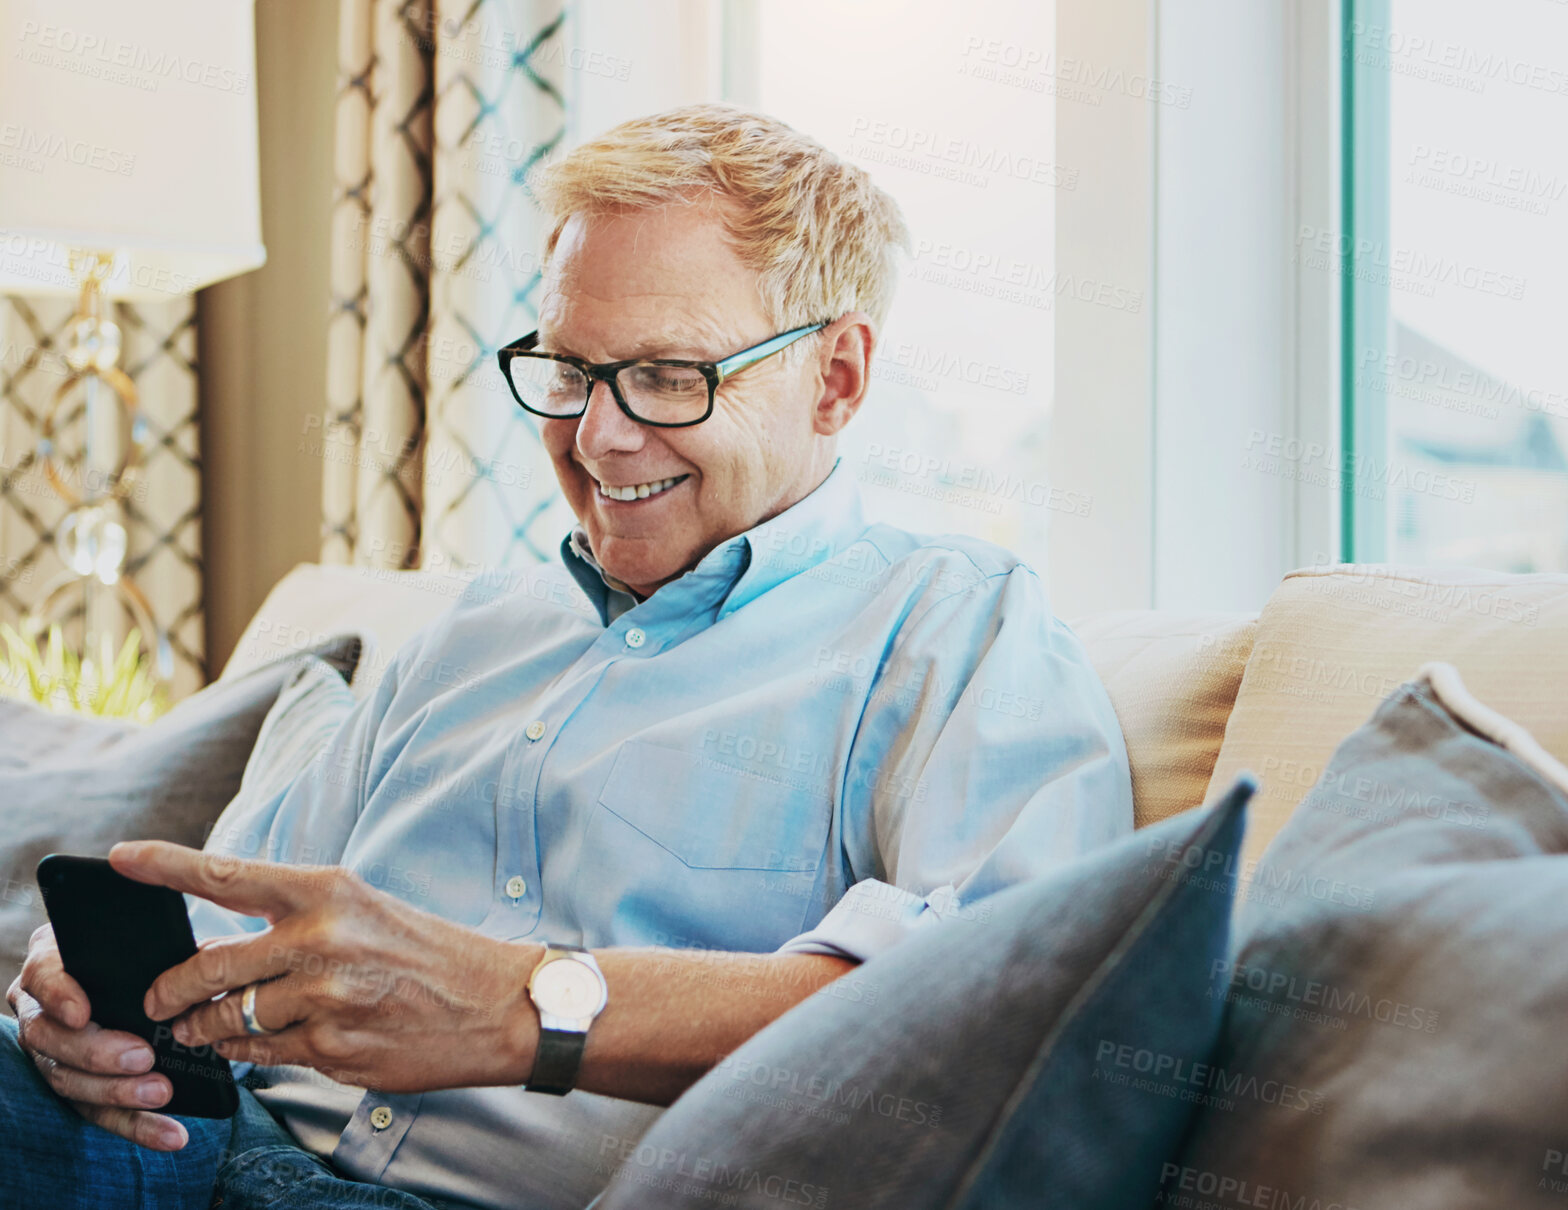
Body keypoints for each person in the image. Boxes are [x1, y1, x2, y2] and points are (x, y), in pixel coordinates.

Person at [2, 103, 1130, 1210]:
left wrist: (524, 1003)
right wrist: (80, 1007)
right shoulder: (471, 633)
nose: (597, 437)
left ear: (835, 376)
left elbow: (1001, 1006)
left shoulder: (951, 627)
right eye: (570, 370)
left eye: (668, 376)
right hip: (191, 1143)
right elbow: (229, 924)